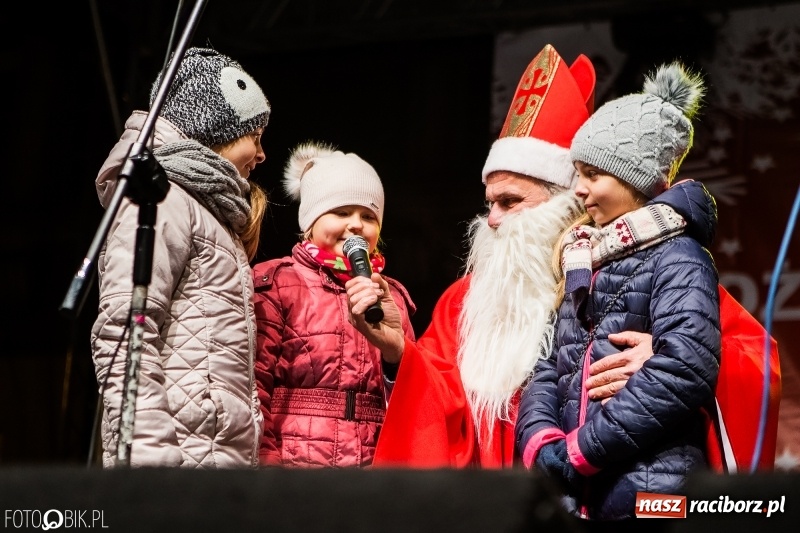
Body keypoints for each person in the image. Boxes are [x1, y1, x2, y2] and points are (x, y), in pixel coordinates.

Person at [345, 44, 654, 468]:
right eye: (489, 202)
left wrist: (659, 356)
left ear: (564, 204)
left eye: (510, 202)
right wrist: (399, 350)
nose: (492, 220)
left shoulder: (631, 271)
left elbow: (745, 354)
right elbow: (436, 400)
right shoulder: (464, 300)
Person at [515, 62, 721, 520]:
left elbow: (684, 367)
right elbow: (549, 364)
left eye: (593, 174)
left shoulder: (679, 256)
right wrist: (542, 442)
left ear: (637, 177)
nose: (580, 191)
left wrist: (579, 453)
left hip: (652, 492)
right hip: (580, 495)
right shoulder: (583, 257)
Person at [91, 47, 271, 468]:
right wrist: (151, 461)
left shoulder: (211, 215)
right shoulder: (164, 200)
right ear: (216, 127)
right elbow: (126, 331)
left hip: (210, 462)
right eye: (255, 137)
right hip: (175, 463)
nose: (262, 155)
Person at [252, 141, 416, 467]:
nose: (356, 224)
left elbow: (413, 394)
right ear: (310, 222)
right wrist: (266, 467)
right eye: (341, 212)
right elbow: (255, 385)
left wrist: (395, 355)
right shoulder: (279, 283)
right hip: (295, 467)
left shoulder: (390, 295)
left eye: (368, 216)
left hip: (374, 466)